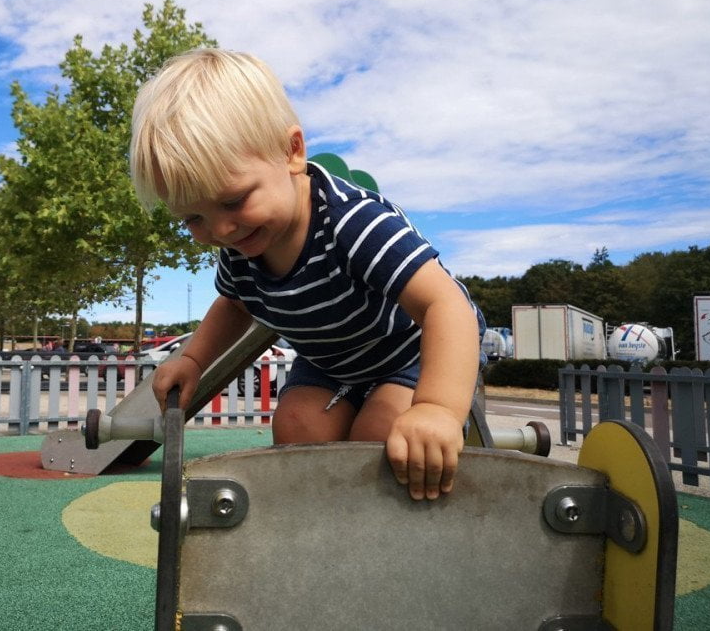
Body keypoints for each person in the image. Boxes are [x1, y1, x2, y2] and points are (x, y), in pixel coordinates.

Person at [130, 48, 485, 501]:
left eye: (234, 200)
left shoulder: (352, 223)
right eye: (192, 219)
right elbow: (233, 304)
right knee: (297, 429)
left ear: (291, 152)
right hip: (332, 362)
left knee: (380, 435)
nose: (219, 229)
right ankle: (318, 524)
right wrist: (194, 360)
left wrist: (437, 409)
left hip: (410, 354)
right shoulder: (243, 244)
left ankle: (382, 534)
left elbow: (446, 304)